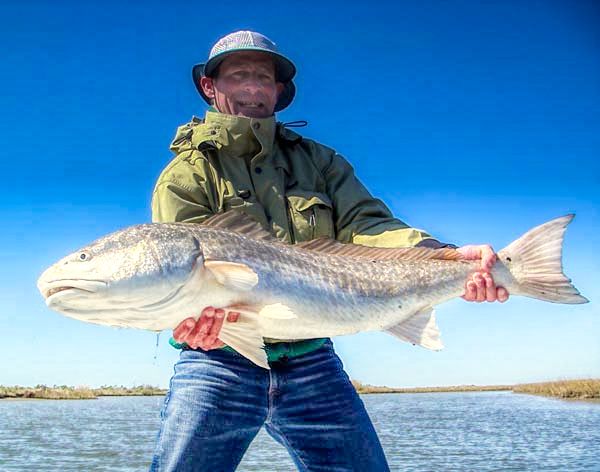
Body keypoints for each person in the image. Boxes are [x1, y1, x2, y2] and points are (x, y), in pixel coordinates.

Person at [149, 30, 508, 472]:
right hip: (218, 362)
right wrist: (185, 320)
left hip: (312, 359)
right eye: (238, 74)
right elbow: (182, 268)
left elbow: (368, 225)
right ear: (210, 86)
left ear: (279, 91)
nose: (251, 86)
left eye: (263, 77)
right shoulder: (185, 174)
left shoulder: (321, 162)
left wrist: (447, 256)